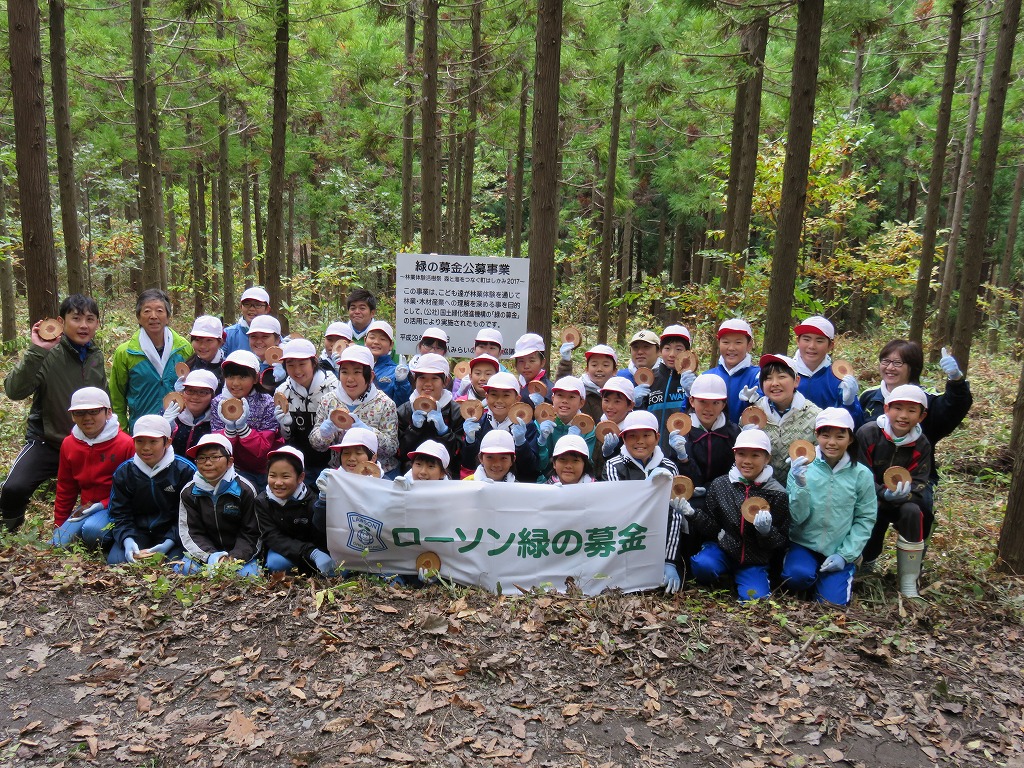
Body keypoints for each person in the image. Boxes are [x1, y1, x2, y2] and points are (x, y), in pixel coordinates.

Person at [0, 294, 106, 531]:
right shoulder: (48, 354)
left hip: (87, 443)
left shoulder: (95, 356)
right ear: (61, 320)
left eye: (90, 319)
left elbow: (103, 398)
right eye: (76, 318)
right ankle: (10, 531)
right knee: (14, 488)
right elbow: (14, 391)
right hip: (47, 441)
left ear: (97, 324)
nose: (83, 325)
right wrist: (38, 351)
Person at [781, 408, 877, 605]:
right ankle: (807, 574)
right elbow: (796, 517)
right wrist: (800, 486)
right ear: (817, 435)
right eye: (825, 435)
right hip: (803, 543)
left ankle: (837, 575)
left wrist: (845, 554)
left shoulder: (861, 474)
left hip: (839, 547)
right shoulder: (801, 467)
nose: (832, 443)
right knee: (796, 577)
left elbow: (865, 518)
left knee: (832, 604)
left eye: (840, 436)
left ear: (850, 439)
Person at [685, 428, 790, 601]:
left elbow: (781, 540)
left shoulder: (777, 494)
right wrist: (692, 513)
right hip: (723, 549)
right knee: (702, 565)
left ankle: (748, 579)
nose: (747, 461)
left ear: (767, 458)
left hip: (754, 560)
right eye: (741, 454)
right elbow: (711, 526)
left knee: (755, 599)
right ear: (734, 455)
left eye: (755, 456)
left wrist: (766, 532)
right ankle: (722, 578)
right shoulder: (721, 485)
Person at [855, 384, 934, 597]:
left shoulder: (922, 443)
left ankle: (908, 580)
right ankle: (866, 562)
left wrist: (904, 494)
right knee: (873, 512)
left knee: (914, 513)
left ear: (922, 415)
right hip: (871, 496)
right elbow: (860, 473)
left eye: (911, 410)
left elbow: (920, 479)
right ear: (887, 408)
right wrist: (882, 493)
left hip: (904, 499)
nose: (903, 416)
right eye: (897, 408)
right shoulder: (869, 433)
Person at [602, 410, 685, 595]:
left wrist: (670, 560)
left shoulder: (669, 467)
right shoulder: (613, 466)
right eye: (632, 436)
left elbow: (674, 515)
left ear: (656, 438)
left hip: (659, 539)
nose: (640, 441)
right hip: (626, 541)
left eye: (646, 435)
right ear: (623, 439)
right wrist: (649, 487)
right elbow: (621, 507)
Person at [859, 340, 972, 472]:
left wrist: (956, 380)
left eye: (897, 363)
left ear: (913, 367)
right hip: (870, 476)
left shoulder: (927, 400)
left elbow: (955, 406)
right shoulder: (869, 396)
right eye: (885, 361)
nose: (890, 368)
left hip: (917, 475)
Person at [50, 388, 135, 549]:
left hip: (115, 507)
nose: (87, 418)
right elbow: (65, 487)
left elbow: (133, 490)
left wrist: (103, 504)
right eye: (80, 413)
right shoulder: (69, 444)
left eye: (94, 411)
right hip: (86, 507)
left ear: (108, 412)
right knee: (58, 542)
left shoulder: (125, 444)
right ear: (73, 416)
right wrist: (59, 525)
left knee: (92, 531)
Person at [106, 415, 195, 565]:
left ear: (167, 442)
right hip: (137, 531)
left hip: (173, 534)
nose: (146, 448)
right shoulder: (125, 472)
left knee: (174, 566)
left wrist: (169, 541)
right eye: (139, 441)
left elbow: (190, 514)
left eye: (153, 441)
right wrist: (128, 539)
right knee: (116, 562)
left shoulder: (184, 470)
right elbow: (118, 512)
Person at [177, 433, 261, 577]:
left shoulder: (245, 489)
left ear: (230, 461)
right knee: (187, 569)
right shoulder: (189, 492)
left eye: (215, 457)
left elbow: (252, 532)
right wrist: (212, 557)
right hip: (206, 555)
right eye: (202, 458)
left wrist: (233, 559)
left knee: (247, 576)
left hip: (240, 554)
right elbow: (191, 532)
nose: (208, 463)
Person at [310, 345, 399, 478]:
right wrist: (324, 433)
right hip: (341, 473)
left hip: (379, 475)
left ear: (371, 376)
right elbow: (317, 445)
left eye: (357, 372)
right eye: (345, 372)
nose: (350, 379)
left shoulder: (385, 404)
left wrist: (370, 433)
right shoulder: (329, 401)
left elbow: (392, 447)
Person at [110, 288, 193, 431]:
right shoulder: (125, 353)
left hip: (179, 430)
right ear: (138, 317)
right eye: (147, 311)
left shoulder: (184, 348)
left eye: (160, 311)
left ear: (168, 316)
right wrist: (122, 432)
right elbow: (117, 398)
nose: (153, 316)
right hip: (142, 429)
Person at [258, 446, 335, 576]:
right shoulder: (262, 501)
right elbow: (272, 537)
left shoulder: (312, 500)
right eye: (272, 475)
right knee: (276, 564)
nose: (278, 483)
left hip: (314, 551)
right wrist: (311, 553)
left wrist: (317, 553)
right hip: (283, 551)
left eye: (285, 476)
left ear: (300, 477)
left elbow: (320, 535)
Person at [209, 350, 282, 487]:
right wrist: (229, 430)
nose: (235, 383)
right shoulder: (218, 403)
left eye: (242, 377)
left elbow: (263, 449)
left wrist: (243, 430)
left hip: (263, 470)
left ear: (255, 378)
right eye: (230, 376)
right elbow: (217, 446)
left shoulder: (266, 402)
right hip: (231, 469)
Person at [748, 354, 821, 484]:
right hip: (761, 491)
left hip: (805, 489)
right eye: (768, 378)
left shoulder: (815, 416)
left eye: (782, 377)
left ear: (796, 381)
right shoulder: (753, 414)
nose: (775, 383)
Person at [273, 338, 337, 487]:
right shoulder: (282, 391)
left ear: (314, 362)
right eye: (290, 365)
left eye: (302, 364)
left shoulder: (334, 388)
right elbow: (285, 437)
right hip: (300, 466)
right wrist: (284, 426)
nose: (297, 371)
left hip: (331, 464)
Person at [461, 371, 540, 482]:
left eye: (506, 395)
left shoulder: (527, 426)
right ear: (487, 397)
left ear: (517, 399)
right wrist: (470, 442)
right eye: (494, 394)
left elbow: (531, 468)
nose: (499, 400)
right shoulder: (478, 423)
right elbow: (469, 464)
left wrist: (522, 444)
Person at [397, 353, 464, 478]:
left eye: (434, 378)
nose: (428, 384)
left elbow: (460, 453)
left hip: (446, 479)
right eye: (422, 378)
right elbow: (400, 452)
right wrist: (414, 430)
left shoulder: (456, 412)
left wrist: (444, 432)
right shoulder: (404, 410)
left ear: (446, 381)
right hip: (411, 478)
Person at [634, 325, 696, 458]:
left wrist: (691, 393)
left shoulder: (694, 382)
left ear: (687, 352)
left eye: (678, 349)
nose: (672, 354)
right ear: (660, 351)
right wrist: (636, 403)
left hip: (682, 452)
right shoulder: (650, 379)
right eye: (667, 348)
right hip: (650, 454)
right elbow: (640, 416)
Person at [791, 316, 863, 425]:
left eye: (819, 341)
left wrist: (849, 403)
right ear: (798, 341)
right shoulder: (784, 372)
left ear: (830, 345)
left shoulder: (838, 380)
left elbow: (855, 426)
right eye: (806, 339)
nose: (812, 346)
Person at [705, 318, 761, 425]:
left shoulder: (759, 376)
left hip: (746, 439)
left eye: (738, 342)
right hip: (712, 440)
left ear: (749, 345)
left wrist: (757, 400)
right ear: (719, 343)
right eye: (725, 342)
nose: (731, 348)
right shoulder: (708, 376)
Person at [536, 377, 597, 474]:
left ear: (581, 403)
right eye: (560, 395)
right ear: (553, 398)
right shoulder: (542, 422)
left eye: (571, 397)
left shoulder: (587, 427)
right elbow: (539, 465)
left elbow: (587, 464)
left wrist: (575, 444)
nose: (565, 401)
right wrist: (542, 442)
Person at [554, 343, 620, 423]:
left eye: (605, 365)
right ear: (587, 369)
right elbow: (563, 385)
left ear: (614, 371)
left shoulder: (620, 391)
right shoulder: (580, 388)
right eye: (594, 365)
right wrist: (565, 363)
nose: (599, 369)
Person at [165, 369, 219, 457]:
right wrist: (163, 428)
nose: (195, 397)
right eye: (190, 391)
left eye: (202, 392)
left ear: (212, 396)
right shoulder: (169, 412)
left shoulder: (218, 420)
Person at [594, 376, 635, 480]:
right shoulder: (597, 425)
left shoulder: (634, 432)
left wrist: (610, 455)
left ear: (630, 405)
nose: (610, 406)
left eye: (617, 402)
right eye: (606, 400)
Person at [365, 320, 412, 404]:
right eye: (372, 337)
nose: (376, 342)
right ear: (365, 340)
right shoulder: (356, 365)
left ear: (391, 345)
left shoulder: (396, 371)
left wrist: (402, 382)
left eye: (382, 339)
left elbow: (402, 404)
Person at [177, 315, 225, 392]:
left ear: (220, 342)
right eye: (197, 340)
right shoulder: (188, 366)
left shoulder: (226, 369)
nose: (202, 346)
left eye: (209, 340)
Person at [223, 286, 272, 355]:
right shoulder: (228, 335)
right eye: (247, 304)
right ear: (241, 307)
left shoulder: (274, 335)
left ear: (267, 309)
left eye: (257, 305)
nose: (251, 309)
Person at [245, 314, 285, 393]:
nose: (259, 341)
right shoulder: (246, 363)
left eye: (265, 336)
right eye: (253, 336)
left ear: (277, 339)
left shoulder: (288, 364)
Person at [512, 333, 553, 405]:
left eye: (532, 361)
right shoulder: (518, 385)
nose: (526, 366)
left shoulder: (547, 392)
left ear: (542, 362)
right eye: (521, 361)